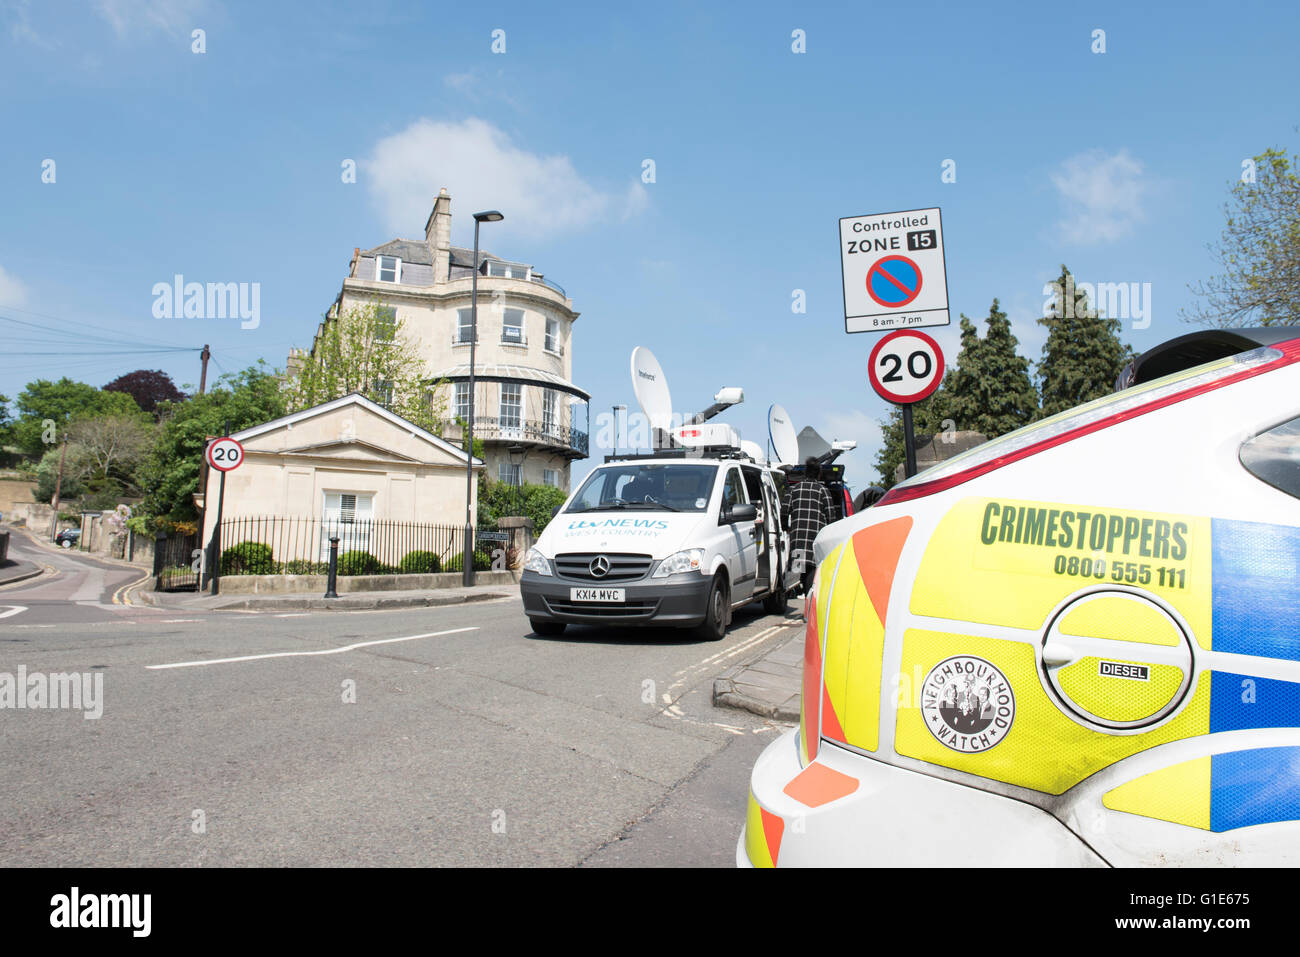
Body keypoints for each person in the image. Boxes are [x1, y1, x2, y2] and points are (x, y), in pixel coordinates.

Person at [781, 457, 833, 607]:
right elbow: (831, 515)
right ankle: (811, 604)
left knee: (802, 570)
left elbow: (784, 510)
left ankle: (807, 599)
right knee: (812, 569)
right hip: (816, 539)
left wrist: (786, 527)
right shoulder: (823, 491)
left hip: (798, 538)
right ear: (818, 474)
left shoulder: (794, 489)